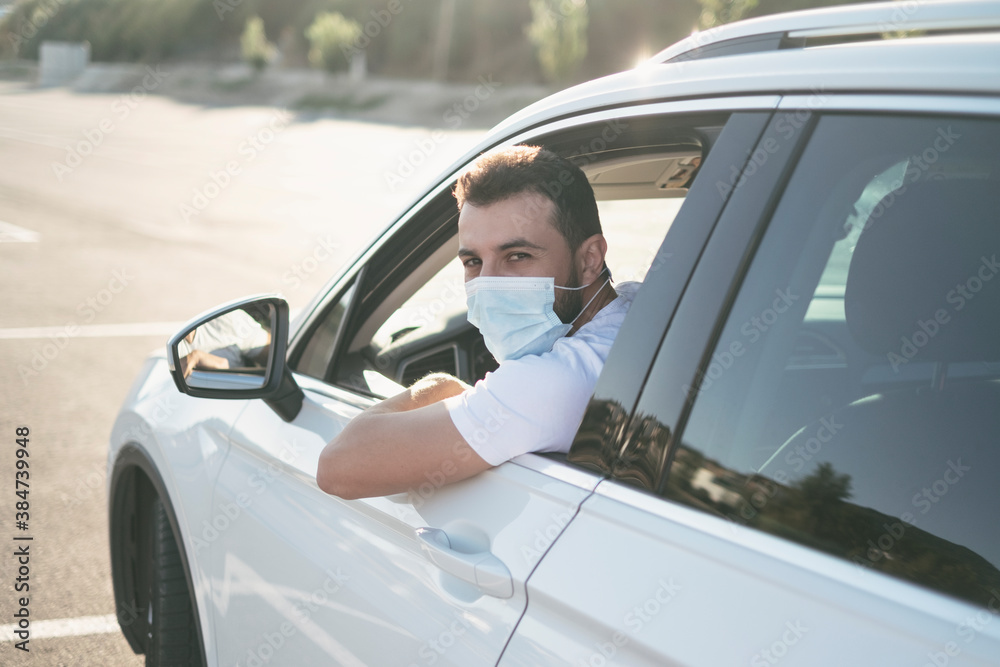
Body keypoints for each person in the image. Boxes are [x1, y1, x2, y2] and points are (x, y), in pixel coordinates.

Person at [316, 145, 640, 500]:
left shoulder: (555, 381)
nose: (489, 283)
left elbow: (338, 467)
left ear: (590, 259)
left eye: (517, 256)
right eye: (472, 262)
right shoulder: (638, 305)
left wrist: (442, 387)